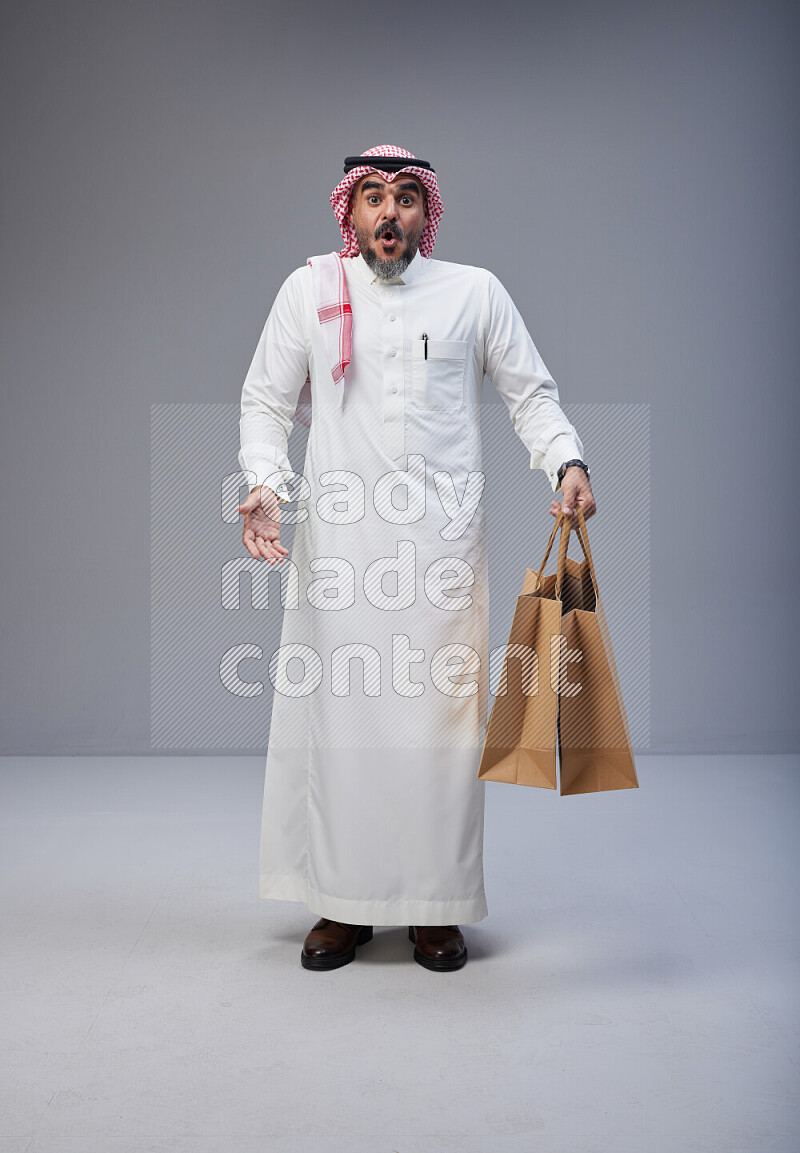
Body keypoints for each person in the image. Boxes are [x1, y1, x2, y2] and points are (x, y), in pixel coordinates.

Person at [236, 145, 595, 973]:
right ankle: (341, 904)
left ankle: (436, 908)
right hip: (341, 548)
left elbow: (530, 395)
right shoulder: (310, 292)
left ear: (426, 213)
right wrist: (263, 482)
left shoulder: (474, 293)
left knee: (441, 729)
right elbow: (263, 399)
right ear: (349, 212)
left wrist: (569, 464)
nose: (388, 213)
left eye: (404, 197)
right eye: (372, 198)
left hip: (441, 551)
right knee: (345, 725)